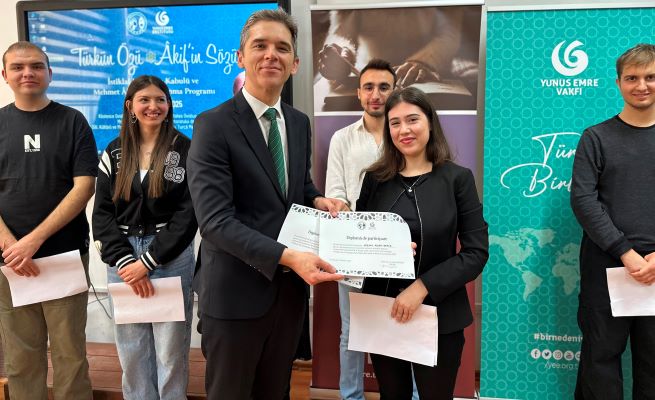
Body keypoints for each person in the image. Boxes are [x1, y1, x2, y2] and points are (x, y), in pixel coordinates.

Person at [187, 8, 346, 400]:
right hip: (235, 297)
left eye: (282, 48)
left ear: (295, 63)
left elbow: (295, 187)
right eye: (260, 45)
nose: (271, 54)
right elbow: (215, 222)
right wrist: (289, 257)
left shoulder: (298, 123)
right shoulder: (213, 125)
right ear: (241, 57)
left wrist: (318, 199)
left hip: (287, 297)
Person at [356, 87, 488, 399]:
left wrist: (422, 287)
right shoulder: (375, 180)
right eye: (395, 123)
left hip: (439, 315)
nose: (404, 130)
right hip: (384, 311)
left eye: (412, 119)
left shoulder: (457, 179)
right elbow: (361, 243)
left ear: (430, 122)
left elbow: (476, 252)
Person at [0, 41, 96, 400]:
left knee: (71, 355)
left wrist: (33, 240)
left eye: (37, 66)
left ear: (50, 74)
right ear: (5, 75)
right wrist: (12, 245)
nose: (28, 73)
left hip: (63, 256)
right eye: (19, 67)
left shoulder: (72, 121)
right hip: (9, 262)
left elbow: (84, 186)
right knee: (21, 357)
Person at [92, 75, 197, 399]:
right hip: (123, 260)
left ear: (169, 105)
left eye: (160, 100)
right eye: (145, 100)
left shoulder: (185, 149)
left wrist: (148, 262)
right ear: (130, 106)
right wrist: (126, 262)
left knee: (170, 351)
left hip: (170, 258)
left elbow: (188, 214)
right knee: (132, 349)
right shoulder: (114, 151)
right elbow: (102, 214)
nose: (154, 106)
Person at [570, 43, 655, 399]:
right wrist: (626, 252)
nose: (642, 85)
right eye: (632, 78)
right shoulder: (596, 138)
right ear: (618, 83)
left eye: (650, 77)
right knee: (600, 362)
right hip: (606, 267)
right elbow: (583, 200)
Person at [325, 58, 405, 400]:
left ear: (394, 91)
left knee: (403, 327)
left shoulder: (405, 135)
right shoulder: (342, 139)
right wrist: (349, 217)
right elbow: (336, 195)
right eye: (369, 87)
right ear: (358, 93)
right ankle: (351, 396)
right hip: (353, 249)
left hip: (400, 250)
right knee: (352, 332)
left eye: (384, 87)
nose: (376, 95)